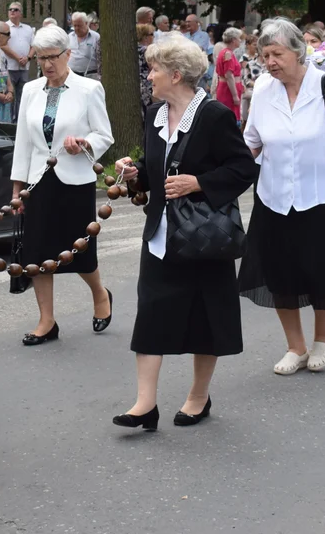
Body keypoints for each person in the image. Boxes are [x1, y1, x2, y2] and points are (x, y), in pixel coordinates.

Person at [111, 36, 257, 430]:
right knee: (151, 313)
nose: (149, 75)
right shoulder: (154, 113)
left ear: (176, 75)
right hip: (161, 234)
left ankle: (198, 396)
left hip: (204, 237)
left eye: (154, 69)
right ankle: (145, 404)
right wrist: (135, 171)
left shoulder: (214, 116)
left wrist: (199, 183)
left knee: (206, 318)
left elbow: (244, 168)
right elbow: (154, 166)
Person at [238, 18, 325, 375]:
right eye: (265, 56)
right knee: (279, 273)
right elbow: (251, 143)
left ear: (297, 51)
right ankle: (296, 346)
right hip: (274, 196)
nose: (271, 61)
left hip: (320, 196)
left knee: (320, 270)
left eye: (277, 53)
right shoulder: (263, 89)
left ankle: (323, 337)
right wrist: (222, 175)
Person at [11, 25, 115, 346]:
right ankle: (47, 321)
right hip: (39, 181)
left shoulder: (88, 89)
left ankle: (100, 294)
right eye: (40, 58)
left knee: (79, 251)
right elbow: (23, 142)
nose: (46, 65)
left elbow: (104, 135)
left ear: (68, 54)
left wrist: (84, 143)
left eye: (52, 57)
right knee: (38, 252)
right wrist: (17, 190)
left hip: (75, 180)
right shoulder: (30, 90)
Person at [2, 2, 33, 115]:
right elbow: (2, 45)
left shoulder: (28, 28)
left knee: (22, 95)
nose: (12, 11)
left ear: (21, 13)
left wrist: (28, 58)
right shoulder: (4, 26)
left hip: (24, 67)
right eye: (10, 9)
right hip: (9, 66)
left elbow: (33, 45)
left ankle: (19, 120)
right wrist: (18, 58)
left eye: (15, 10)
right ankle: (9, 120)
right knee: (10, 94)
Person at [68, 11, 101, 79]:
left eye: (79, 25)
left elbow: (100, 58)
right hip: (72, 75)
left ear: (86, 23)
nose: (77, 28)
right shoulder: (69, 37)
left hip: (90, 76)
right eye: (75, 26)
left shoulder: (96, 37)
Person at [136, 23, 155, 113]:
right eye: (151, 34)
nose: (153, 37)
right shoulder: (147, 50)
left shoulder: (132, 48)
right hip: (147, 84)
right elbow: (153, 68)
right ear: (145, 36)